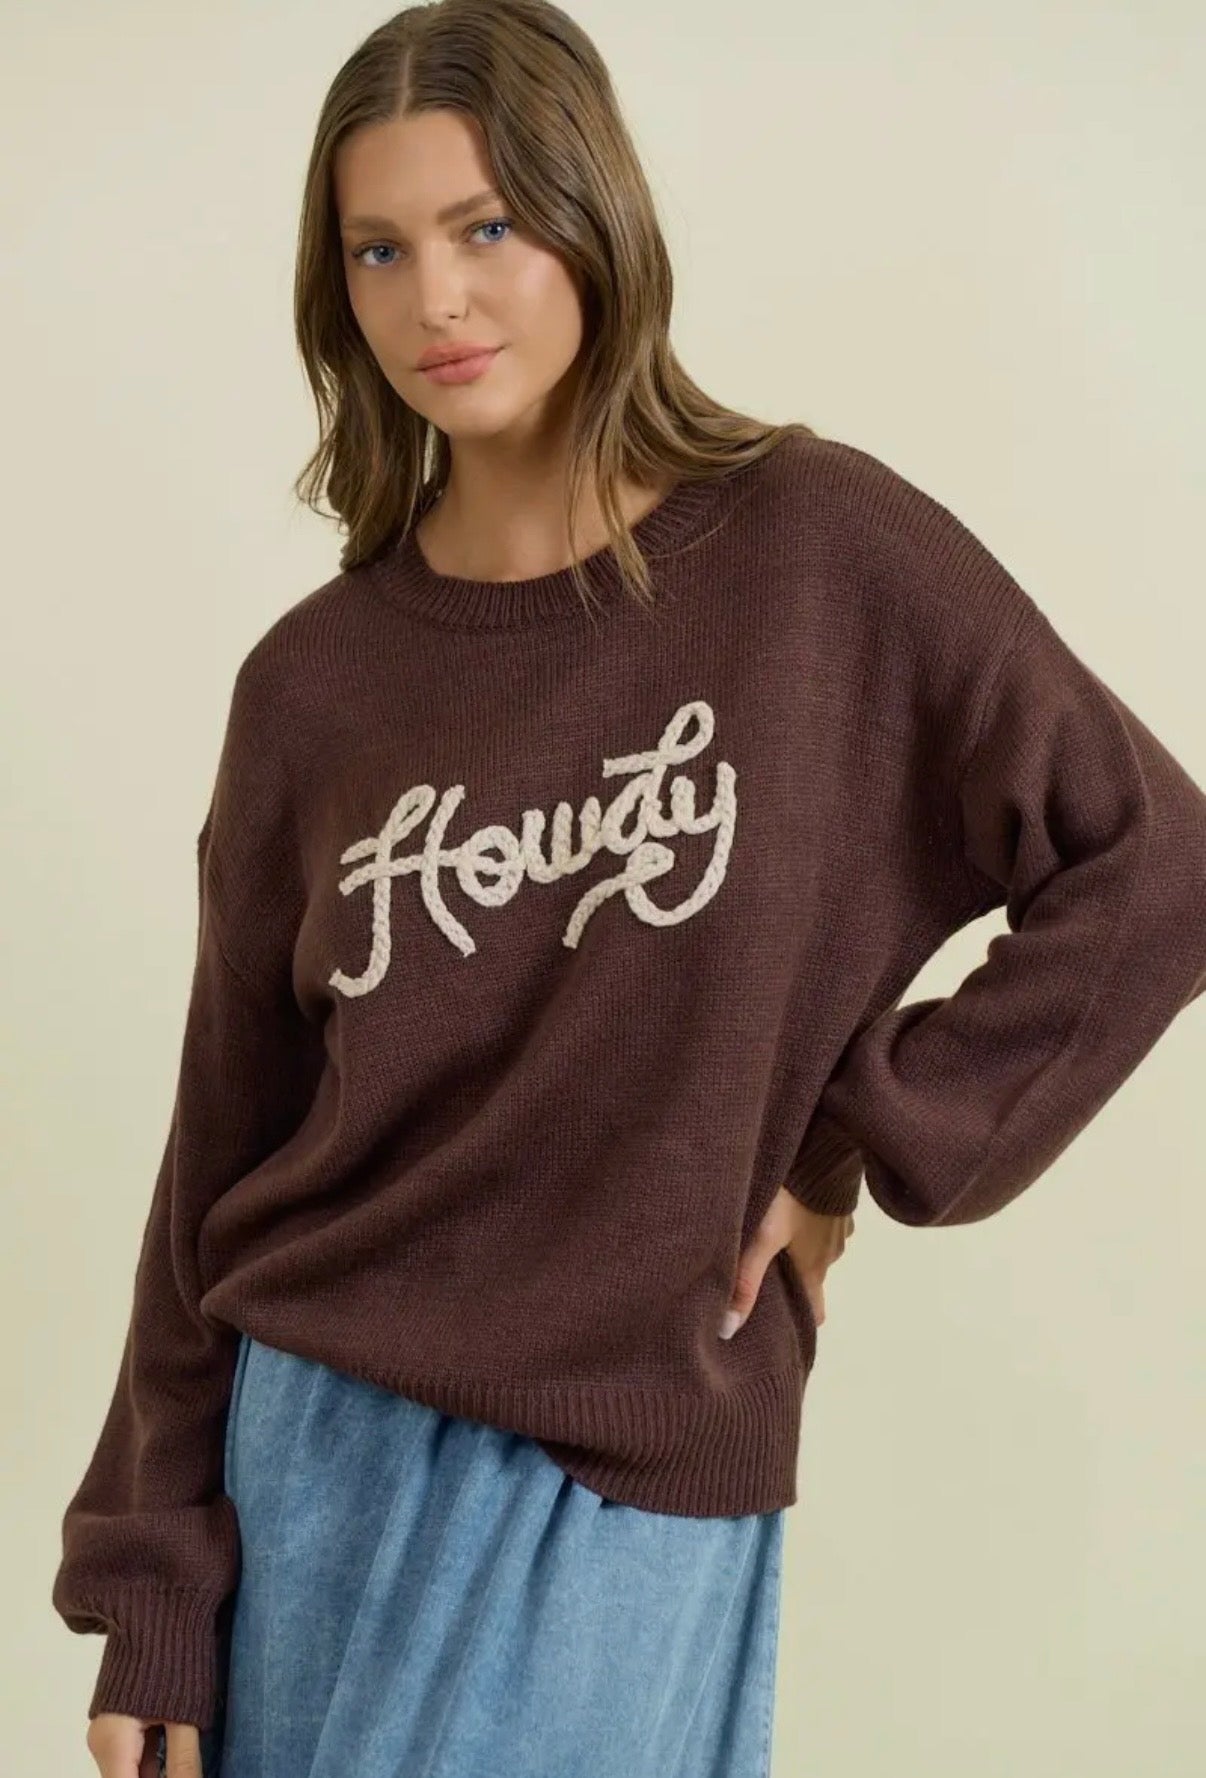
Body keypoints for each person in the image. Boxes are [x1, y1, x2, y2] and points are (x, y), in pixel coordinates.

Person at [53, 4, 1206, 1777]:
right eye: (379, 248)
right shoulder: (313, 687)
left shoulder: (815, 554)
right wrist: (152, 1583)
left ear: (594, 221)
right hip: (309, 1461)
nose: (435, 299)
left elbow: (1152, 861)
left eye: (486, 226)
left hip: (626, 1468)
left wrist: (857, 1138)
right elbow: (220, 1148)